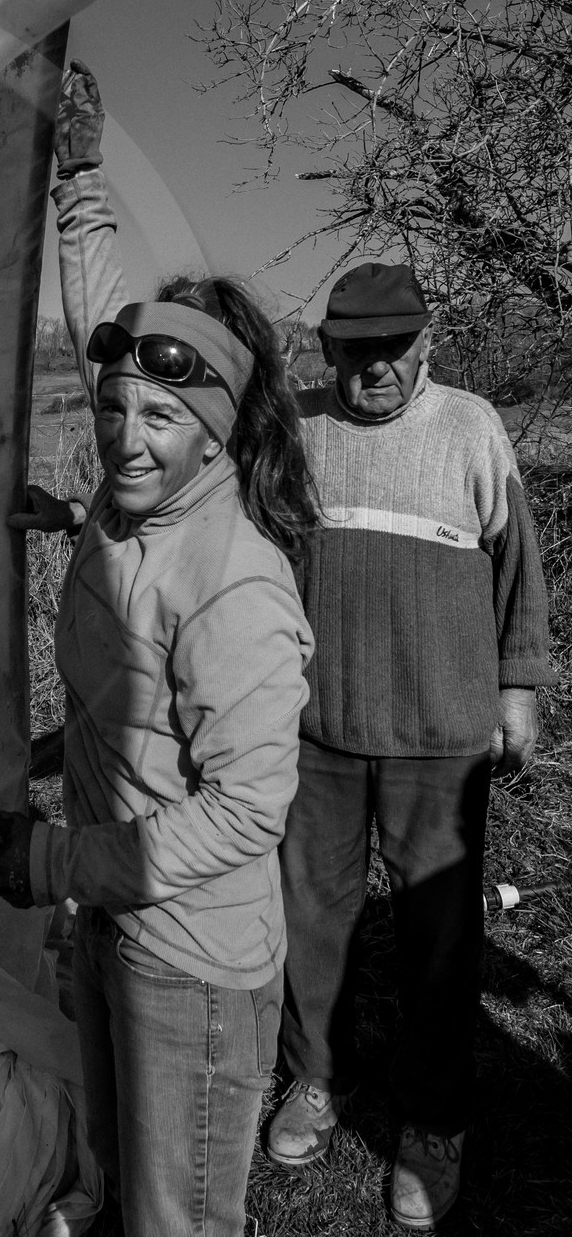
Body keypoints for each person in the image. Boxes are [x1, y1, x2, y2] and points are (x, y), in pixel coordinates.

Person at [0, 60, 316, 1237]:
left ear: (215, 434)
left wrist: (55, 862)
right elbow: (90, 307)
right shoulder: (125, 519)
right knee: (116, 1179)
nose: (122, 434)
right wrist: (77, 178)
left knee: (181, 1219)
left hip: (193, 962)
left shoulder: (237, 587)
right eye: (112, 408)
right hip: (114, 919)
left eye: (159, 417)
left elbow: (245, 813)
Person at [263, 261, 553, 1228]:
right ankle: (317, 1076)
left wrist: (519, 689)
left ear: (428, 344)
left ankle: (434, 1116)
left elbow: (519, 567)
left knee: (439, 931)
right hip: (318, 729)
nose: (376, 369)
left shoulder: (471, 426)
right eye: (356, 350)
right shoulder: (295, 429)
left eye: (395, 348)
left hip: (440, 731)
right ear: (326, 349)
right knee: (313, 915)